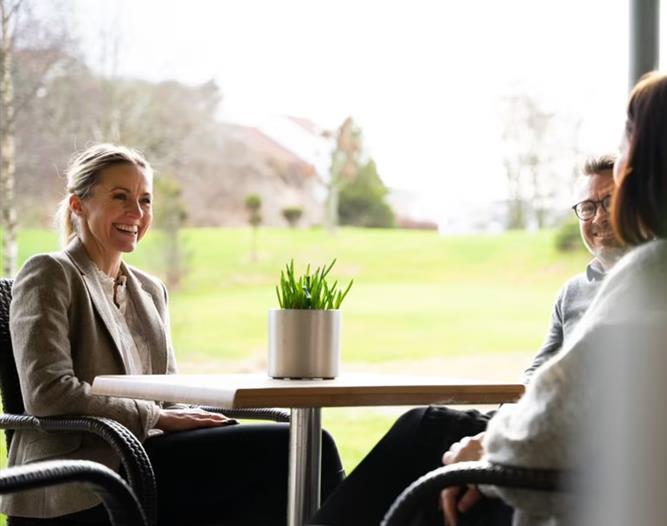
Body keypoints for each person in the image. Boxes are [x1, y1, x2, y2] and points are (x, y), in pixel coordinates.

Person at [441, 71, 667, 526]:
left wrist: (485, 447)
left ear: (649, 166)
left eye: (626, 143)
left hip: (601, 503)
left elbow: (540, 444)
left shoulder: (661, 274)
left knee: (428, 447)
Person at [3, 144, 345, 526]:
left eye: (145, 200)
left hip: (151, 456)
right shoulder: (50, 273)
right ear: (78, 205)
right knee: (297, 452)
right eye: (121, 197)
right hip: (81, 475)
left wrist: (193, 416)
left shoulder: (149, 290)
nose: (137, 213)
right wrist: (160, 417)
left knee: (300, 456)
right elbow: (48, 394)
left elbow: (169, 390)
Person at [309, 156, 627, 525]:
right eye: (587, 207)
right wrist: (506, 427)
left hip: (573, 438)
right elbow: (538, 374)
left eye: (609, 202)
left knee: (423, 429)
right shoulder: (573, 291)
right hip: (534, 421)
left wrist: (503, 442)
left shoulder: (655, 283)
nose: (598, 218)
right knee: (426, 441)